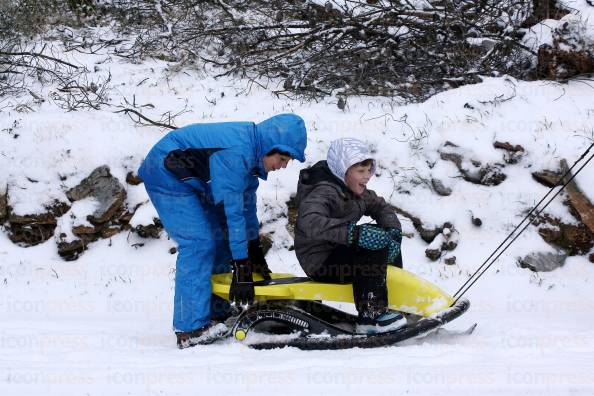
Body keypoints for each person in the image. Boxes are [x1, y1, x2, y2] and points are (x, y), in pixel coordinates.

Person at [137, 114, 307, 348]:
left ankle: (216, 313)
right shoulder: (237, 155)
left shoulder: (251, 158)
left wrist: (252, 249)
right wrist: (242, 267)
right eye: (282, 158)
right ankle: (190, 329)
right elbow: (233, 214)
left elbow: (246, 206)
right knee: (199, 243)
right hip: (166, 174)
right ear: (269, 147)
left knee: (219, 240)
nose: (284, 165)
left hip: (194, 179)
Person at [294, 138, 404, 333]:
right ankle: (372, 316)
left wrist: (393, 231)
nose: (367, 176)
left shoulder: (354, 189)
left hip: (340, 252)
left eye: (369, 170)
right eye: (360, 171)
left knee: (384, 240)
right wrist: (353, 234)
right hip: (320, 261)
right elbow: (309, 222)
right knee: (371, 246)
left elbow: (380, 207)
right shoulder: (324, 191)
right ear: (343, 171)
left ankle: (398, 304)